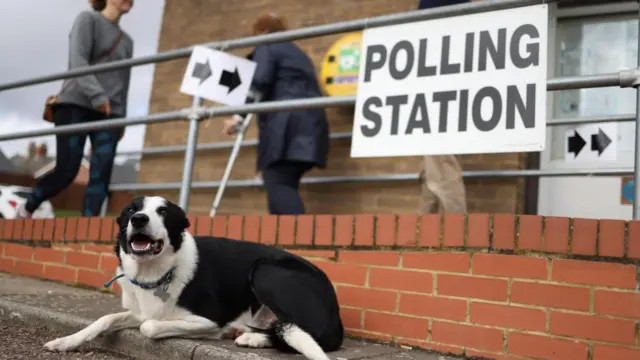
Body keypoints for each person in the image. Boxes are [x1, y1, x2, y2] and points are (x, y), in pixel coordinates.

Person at [18, 0, 134, 218]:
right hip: (75, 104)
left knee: (101, 176)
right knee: (67, 171)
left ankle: (86, 233)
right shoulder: (87, 19)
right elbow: (77, 61)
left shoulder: (127, 41)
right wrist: (98, 96)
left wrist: (122, 119)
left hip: (109, 114)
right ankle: (27, 207)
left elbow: (123, 82)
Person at [223, 13, 330, 215]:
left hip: (286, 128)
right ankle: (288, 241)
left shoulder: (267, 47)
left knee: (277, 182)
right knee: (285, 183)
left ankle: (299, 240)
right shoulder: (297, 54)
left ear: (262, 32)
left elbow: (259, 82)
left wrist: (238, 116)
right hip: (310, 127)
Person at [416, 0, 471, 214]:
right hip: (443, 81)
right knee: (435, 165)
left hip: (443, 82)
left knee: (442, 165)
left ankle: (457, 234)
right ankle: (423, 232)